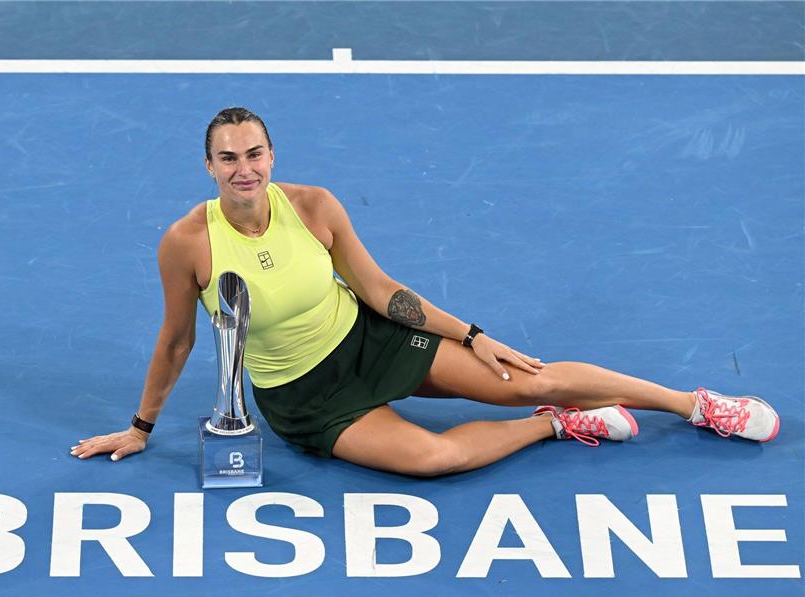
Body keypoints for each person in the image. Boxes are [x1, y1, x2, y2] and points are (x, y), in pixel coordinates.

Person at [71, 107, 780, 477]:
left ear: (271, 156)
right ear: (208, 166)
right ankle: (558, 426)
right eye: (228, 158)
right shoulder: (188, 243)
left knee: (527, 376)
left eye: (254, 153)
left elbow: (380, 289)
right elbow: (176, 340)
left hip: (369, 341)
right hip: (303, 398)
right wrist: (140, 429)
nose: (243, 167)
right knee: (433, 460)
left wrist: (469, 335)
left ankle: (698, 404)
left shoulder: (314, 206)